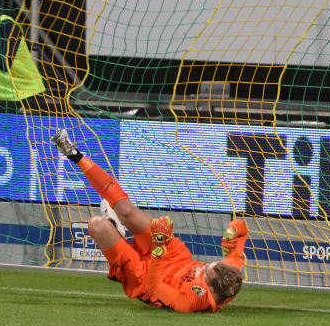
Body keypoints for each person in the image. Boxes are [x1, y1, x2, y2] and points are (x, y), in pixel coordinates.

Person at [52, 128, 248, 313]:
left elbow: (154, 286)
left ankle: (115, 232)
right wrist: (232, 230)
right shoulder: (231, 272)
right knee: (127, 211)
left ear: (210, 287)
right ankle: (72, 153)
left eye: (207, 270)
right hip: (175, 257)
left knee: (98, 225)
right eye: (209, 265)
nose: (206, 266)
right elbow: (243, 229)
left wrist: (158, 250)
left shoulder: (190, 303)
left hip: (147, 278)